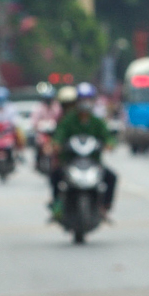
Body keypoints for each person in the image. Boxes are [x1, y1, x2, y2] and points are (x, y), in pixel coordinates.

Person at [49, 83, 117, 214]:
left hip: (93, 162)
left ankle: (105, 206)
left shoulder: (97, 121)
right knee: (55, 175)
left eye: (88, 99)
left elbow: (107, 136)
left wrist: (110, 143)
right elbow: (59, 134)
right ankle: (57, 204)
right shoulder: (69, 120)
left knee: (111, 177)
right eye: (82, 99)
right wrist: (56, 143)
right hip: (71, 161)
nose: (85, 103)